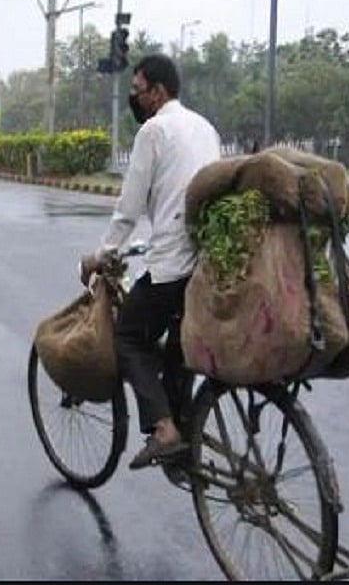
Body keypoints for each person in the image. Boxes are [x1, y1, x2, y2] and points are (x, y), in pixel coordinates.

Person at [79, 53, 221, 471]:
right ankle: (182, 442)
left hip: (173, 263)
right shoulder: (204, 127)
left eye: (138, 91)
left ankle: (164, 430)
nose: (135, 99)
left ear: (158, 92)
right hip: (204, 262)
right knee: (177, 350)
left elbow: (129, 207)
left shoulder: (155, 131)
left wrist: (101, 256)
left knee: (128, 339)